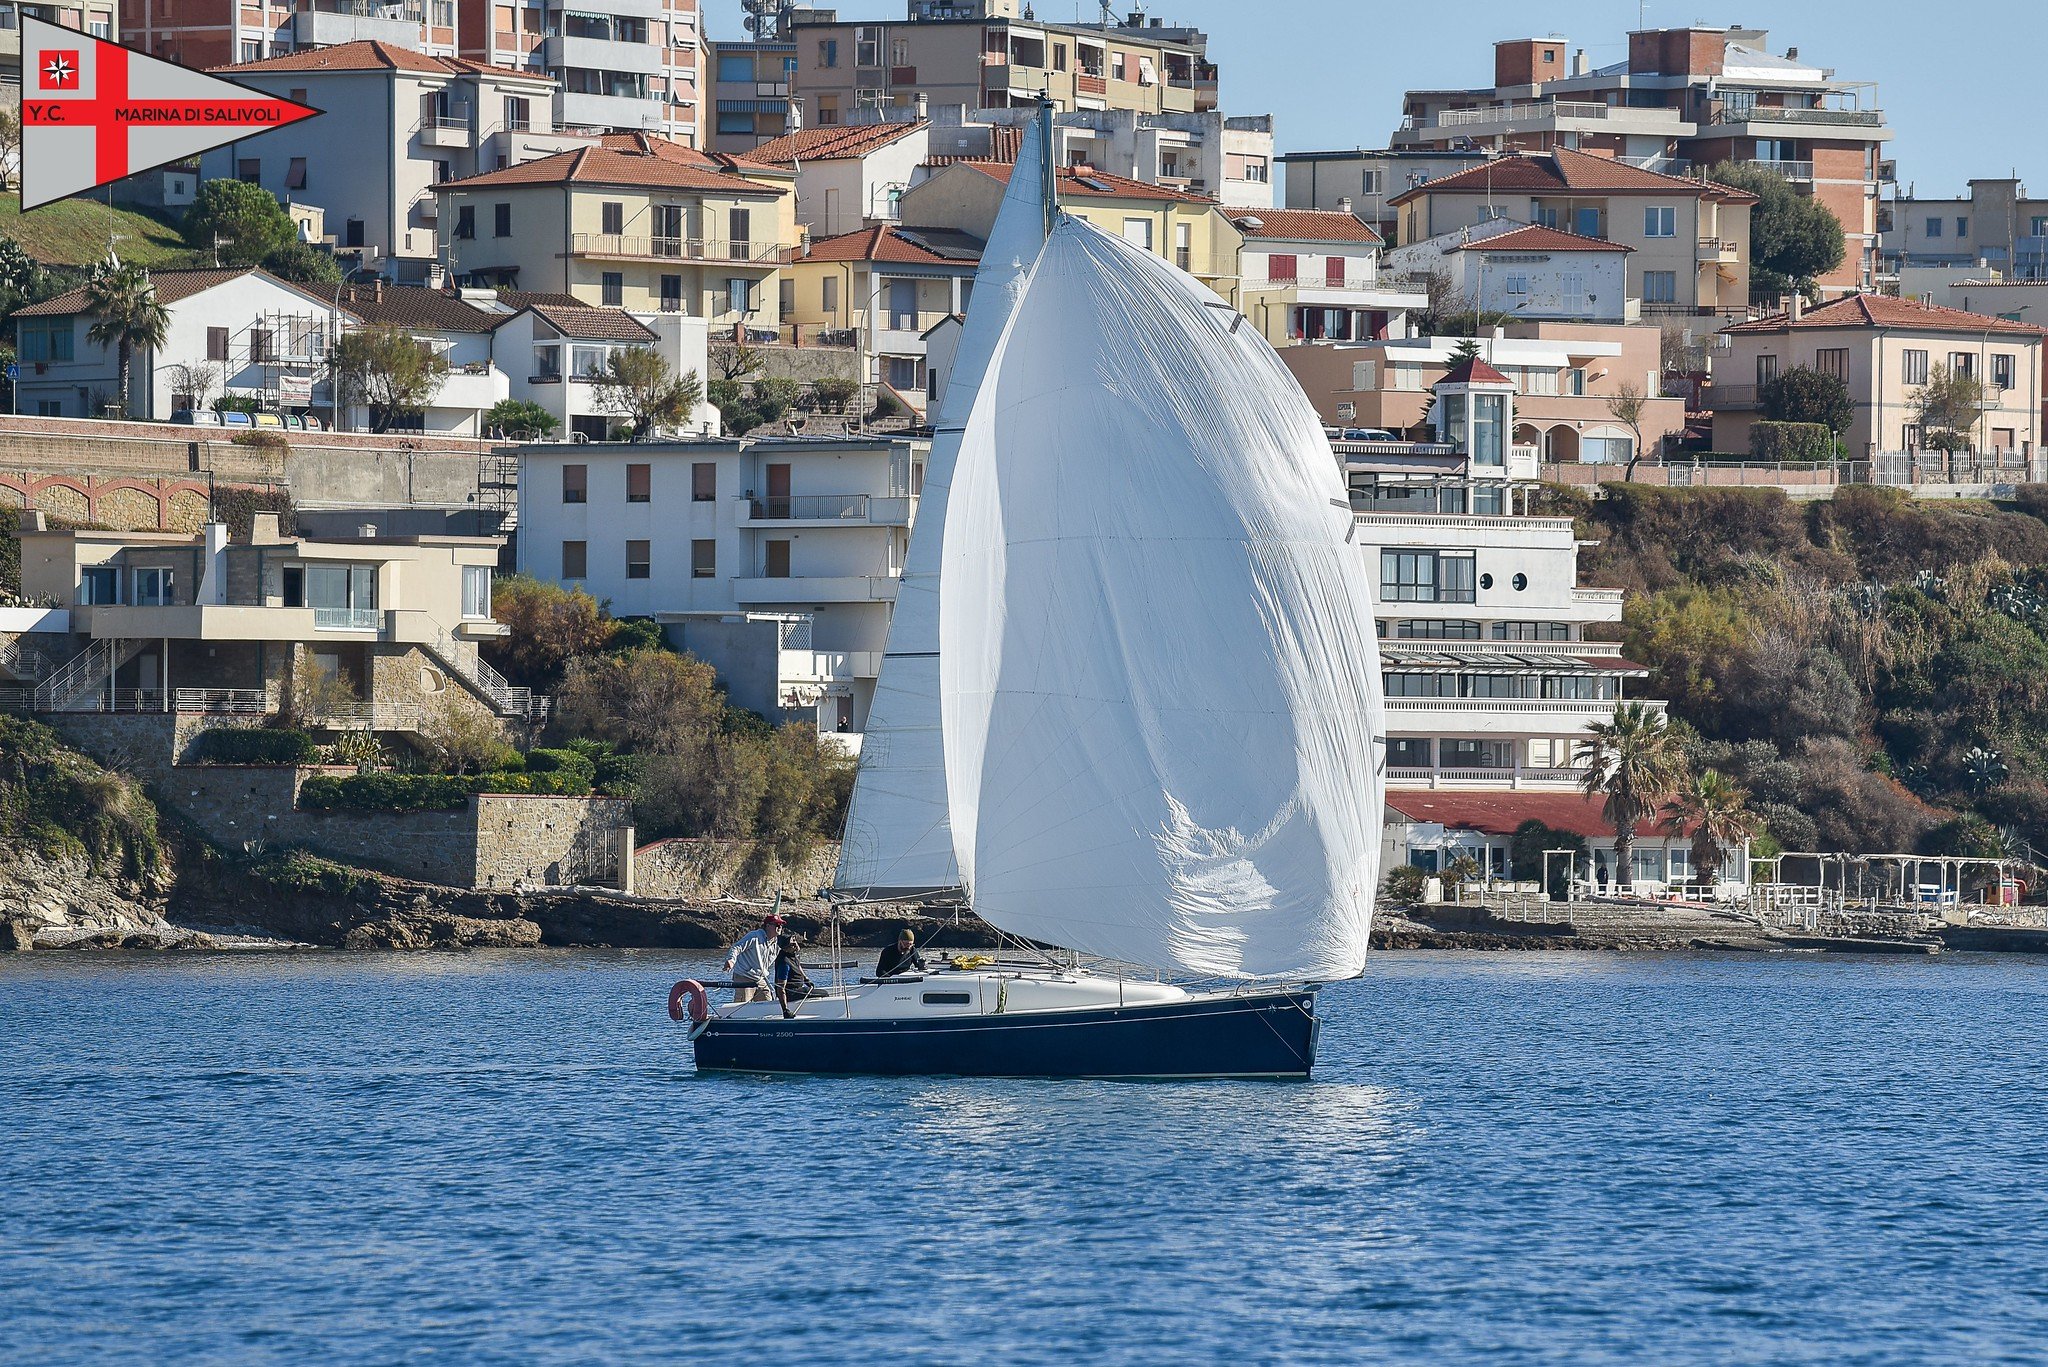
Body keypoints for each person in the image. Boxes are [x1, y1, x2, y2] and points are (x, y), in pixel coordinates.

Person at [723, 912, 785, 1004]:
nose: (780, 927)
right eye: (777, 925)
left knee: (768, 1002)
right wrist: (731, 960)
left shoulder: (776, 943)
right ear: (768, 926)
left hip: (760, 979)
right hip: (744, 977)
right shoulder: (754, 936)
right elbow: (736, 947)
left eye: (781, 925)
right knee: (742, 1005)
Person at [775, 933, 816, 1019]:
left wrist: (806, 980)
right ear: (785, 948)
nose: (796, 945)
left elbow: (798, 966)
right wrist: (785, 1010)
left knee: (818, 991)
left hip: (798, 988)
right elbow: (780, 988)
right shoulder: (784, 963)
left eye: (795, 941)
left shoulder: (793, 955)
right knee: (824, 993)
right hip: (791, 993)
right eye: (792, 944)